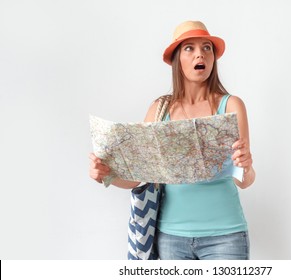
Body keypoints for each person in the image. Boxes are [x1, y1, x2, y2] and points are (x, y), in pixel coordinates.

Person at [89, 20, 256, 260]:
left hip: (226, 238)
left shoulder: (231, 105)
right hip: (170, 238)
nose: (200, 54)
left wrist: (246, 166)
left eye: (206, 47)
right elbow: (140, 177)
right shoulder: (160, 109)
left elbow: (245, 181)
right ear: (177, 59)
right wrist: (107, 175)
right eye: (189, 48)